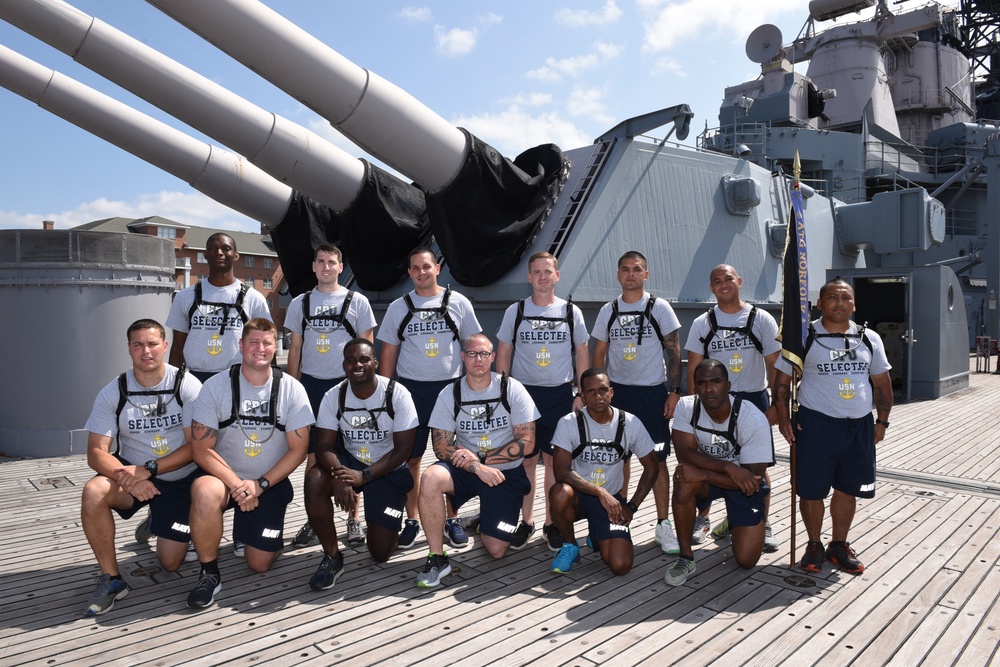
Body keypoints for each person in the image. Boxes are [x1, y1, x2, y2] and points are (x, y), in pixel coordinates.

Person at [186, 318, 314, 609]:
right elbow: (201, 450)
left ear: (275, 346)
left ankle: (248, 530)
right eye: (253, 342)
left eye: (267, 342)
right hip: (224, 479)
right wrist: (238, 485)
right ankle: (209, 574)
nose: (260, 348)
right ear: (241, 345)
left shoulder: (292, 389)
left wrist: (260, 485)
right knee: (203, 491)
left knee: (259, 563)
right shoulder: (216, 387)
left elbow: (299, 449)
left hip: (268, 483)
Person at [80, 319, 203, 617]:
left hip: (178, 478)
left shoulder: (186, 385)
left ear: (165, 346)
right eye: (138, 345)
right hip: (133, 474)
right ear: (129, 349)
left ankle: (158, 517)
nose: (145, 351)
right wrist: (133, 478)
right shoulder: (114, 391)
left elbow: (195, 447)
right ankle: (111, 580)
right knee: (93, 491)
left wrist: (150, 469)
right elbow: (96, 453)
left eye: (151, 344)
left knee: (171, 564)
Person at [774, 278, 893, 575]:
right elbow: (781, 382)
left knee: (848, 488)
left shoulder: (869, 338)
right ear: (819, 303)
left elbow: (882, 383)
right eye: (832, 297)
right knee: (811, 491)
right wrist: (785, 419)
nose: (839, 302)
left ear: (853, 304)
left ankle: (839, 544)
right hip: (816, 425)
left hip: (859, 427)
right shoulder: (804, 336)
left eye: (846, 297)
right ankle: (814, 543)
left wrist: (882, 421)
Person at [376, 247, 482, 550]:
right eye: (415, 268)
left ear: (437, 268)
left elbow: (473, 346)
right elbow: (389, 353)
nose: (421, 272)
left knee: (452, 457)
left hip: (449, 392)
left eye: (426, 266)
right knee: (411, 459)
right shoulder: (399, 307)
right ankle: (412, 519)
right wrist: (387, 394)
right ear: (409, 273)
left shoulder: (458, 303)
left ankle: (451, 520)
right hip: (410, 392)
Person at [415, 334, 539, 587]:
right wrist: (476, 467)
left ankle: (484, 519)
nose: (478, 359)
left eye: (484, 354)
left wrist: (483, 460)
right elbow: (440, 446)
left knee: (497, 550)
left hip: (504, 474)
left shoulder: (511, 388)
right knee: (430, 478)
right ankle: (437, 557)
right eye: (472, 353)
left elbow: (527, 441)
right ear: (463, 357)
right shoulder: (450, 393)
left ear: (493, 357)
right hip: (467, 469)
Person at [303, 338, 418, 590]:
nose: (358, 364)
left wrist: (363, 476)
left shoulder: (397, 394)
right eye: (350, 360)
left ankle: (389, 523)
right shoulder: (333, 396)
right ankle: (333, 556)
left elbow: (403, 450)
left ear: (375, 363)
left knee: (380, 553)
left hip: (386, 467)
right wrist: (341, 476)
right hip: (349, 461)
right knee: (314, 480)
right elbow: (323, 447)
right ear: (343, 365)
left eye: (364, 359)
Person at [496, 252, 590, 552]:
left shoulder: (571, 312)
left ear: (557, 275)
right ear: (529, 277)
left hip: (559, 395)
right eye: (536, 272)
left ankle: (551, 523)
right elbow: (504, 352)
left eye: (547, 271)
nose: (542, 276)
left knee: (553, 460)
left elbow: (582, 353)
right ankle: (527, 521)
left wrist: (581, 394)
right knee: (524, 459)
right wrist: (501, 393)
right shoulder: (516, 311)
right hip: (523, 396)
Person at [591, 250, 683, 555]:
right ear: (618, 275)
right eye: (625, 269)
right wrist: (595, 392)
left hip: (651, 393)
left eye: (637, 269)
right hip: (618, 393)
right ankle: (617, 516)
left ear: (646, 274)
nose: (630, 274)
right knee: (618, 457)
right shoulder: (609, 310)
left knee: (656, 460)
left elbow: (674, 352)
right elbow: (599, 354)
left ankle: (662, 524)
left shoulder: (660, 308)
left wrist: (674, 390)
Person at [286, 244, 377, 549]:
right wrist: (292, 388)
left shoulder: (358, 302)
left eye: (332, 262)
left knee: (352, 450)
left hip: (347, 386)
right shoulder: (300, 303)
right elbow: (295, 349)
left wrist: (364, 391)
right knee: (314, 455)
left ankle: (353, 519)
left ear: (341, 267)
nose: (326, 267)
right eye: (321, 262)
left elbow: (367, 352)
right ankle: (315, 517)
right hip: (311, 386)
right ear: (313, 267)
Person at [683, 264, 780, 551]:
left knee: (757, 467)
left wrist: (776, 405)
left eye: (728, 278)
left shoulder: (761, 319)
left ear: (740, 281)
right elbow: (694, 368)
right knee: (707, 457)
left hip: (752, 400)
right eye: (717, 281)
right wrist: (694, 407)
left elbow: (774, 364)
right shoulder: (702, 323)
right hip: (713, 403)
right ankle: (703, 518)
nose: (723, 284)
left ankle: (761, 520)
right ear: (711, 289)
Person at [665, 359, 773, 586]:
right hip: (717, 476)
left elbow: (752, 480)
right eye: (702, 383)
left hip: (741, 485)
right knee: (684, 478)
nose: (708, 388)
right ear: (694, 387)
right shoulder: (686, 407)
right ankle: (686, 557)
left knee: (746, 560)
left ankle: (734, 520)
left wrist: (706, 473)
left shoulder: (752, 418)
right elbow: (684, 453)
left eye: (716, 381)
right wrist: (727, 466)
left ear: (728, 385)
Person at [548, 368, 658, 576]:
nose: (598, 396)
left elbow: (652, 467)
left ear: (612, 392)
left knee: (620, 565)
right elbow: (561, 471)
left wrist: (631, 507)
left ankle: (597, 534)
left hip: (612, 503)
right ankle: (570, 546)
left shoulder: (631, 423)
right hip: (580, 496)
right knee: (559, 492)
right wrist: (600, 492)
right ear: (582, 395)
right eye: (590, 392)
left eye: (602, 390)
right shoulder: (568, 423)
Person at [166, 232, 272, 383]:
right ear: (205, 254)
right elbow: (177, 347)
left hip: (239, 379)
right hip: (196, 380)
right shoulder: (185, 296)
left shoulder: (253, 298)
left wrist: (270, 384)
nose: (219, 252)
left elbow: (267, 344)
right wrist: (172, 386)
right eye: (213, 248)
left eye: (226, 248)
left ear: (236, 255)